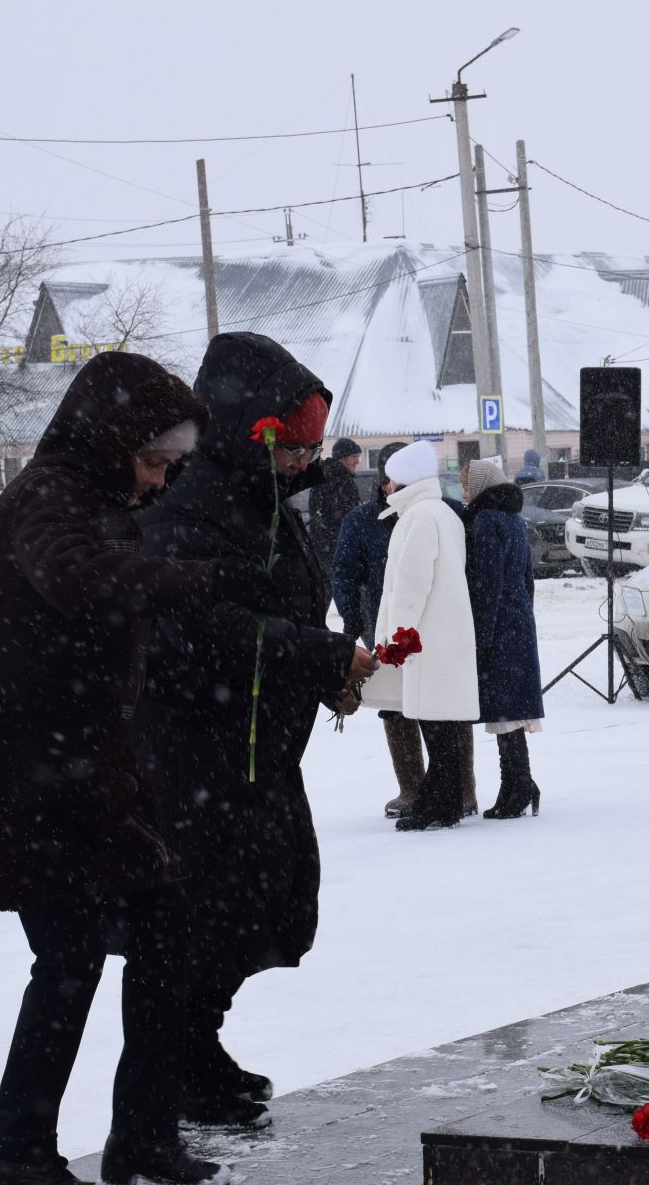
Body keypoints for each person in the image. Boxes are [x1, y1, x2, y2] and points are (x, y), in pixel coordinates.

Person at [0, 350, 286, 1185]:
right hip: (26, 772)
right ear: (111, 440)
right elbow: (81, 583)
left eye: (172, 467)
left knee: (165, 939)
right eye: (154, 462)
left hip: (89, 767)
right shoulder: (48, 498)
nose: (161, 483)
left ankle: (142, 1141)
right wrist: (193, 580)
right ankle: (15, 1158)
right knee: (67, 960)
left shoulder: (102, 499)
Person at [136, 333, 376, 1130]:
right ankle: (175, 1071)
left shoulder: (262, 496)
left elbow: (283, 601)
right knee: (201, 919)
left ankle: (198, 1048)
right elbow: (208, 625)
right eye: (293, 446)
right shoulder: (187, 500)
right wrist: (318, 654)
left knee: (264, 901)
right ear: (251, 429)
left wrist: (322, 673)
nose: (303, 463)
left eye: (311, 448)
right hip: (196, 751)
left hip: (256, 750)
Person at [332, 444, 479, 820]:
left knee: (434, 723)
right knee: (442, 722)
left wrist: (399, 638)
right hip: (442, 633)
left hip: (423, 637)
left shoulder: (417, 518)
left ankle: (439, 803)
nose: (388, 485)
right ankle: (444, 797)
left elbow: (411, 585)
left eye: (393, 477)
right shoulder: (440, 512)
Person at [462, 457, 544, 818]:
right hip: (519, 621)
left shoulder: (485, 520)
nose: (464, 493)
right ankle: (518, 783)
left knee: (504, 710)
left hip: (498, 625)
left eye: (467, 485)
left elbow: (486, 583)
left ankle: (518, 786)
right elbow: (528, 578)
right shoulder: (513, 518)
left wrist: (481, 636)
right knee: (510, 710)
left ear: (480, 486)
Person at [307, 436, 363, 569]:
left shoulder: (324, 475)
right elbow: (347, 517)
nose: (357, 461)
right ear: (343, 457)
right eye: (354, 456)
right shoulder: (341, 480)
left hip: (323, 551)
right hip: (337, 550)